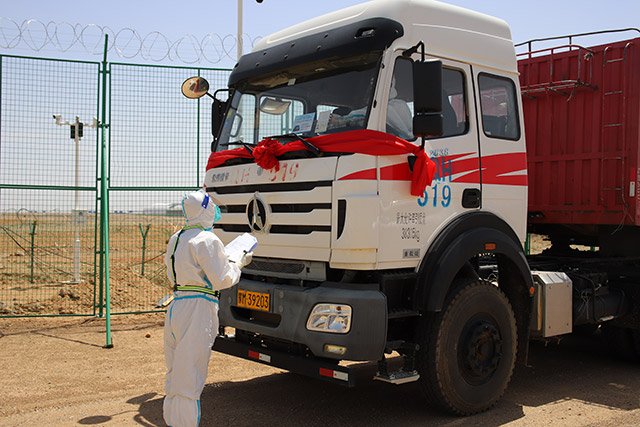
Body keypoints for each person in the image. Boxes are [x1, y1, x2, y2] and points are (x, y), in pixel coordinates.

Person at [163, 189, 253, 427]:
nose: (216, 209)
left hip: (177, 305)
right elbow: (222, 280)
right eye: (212, 205)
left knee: (176, 374)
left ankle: (173, 422)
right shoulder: (208, 239)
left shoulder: (177, 237)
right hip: (198, 307)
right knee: (190, 374)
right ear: (204, 209)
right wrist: (238, 263)